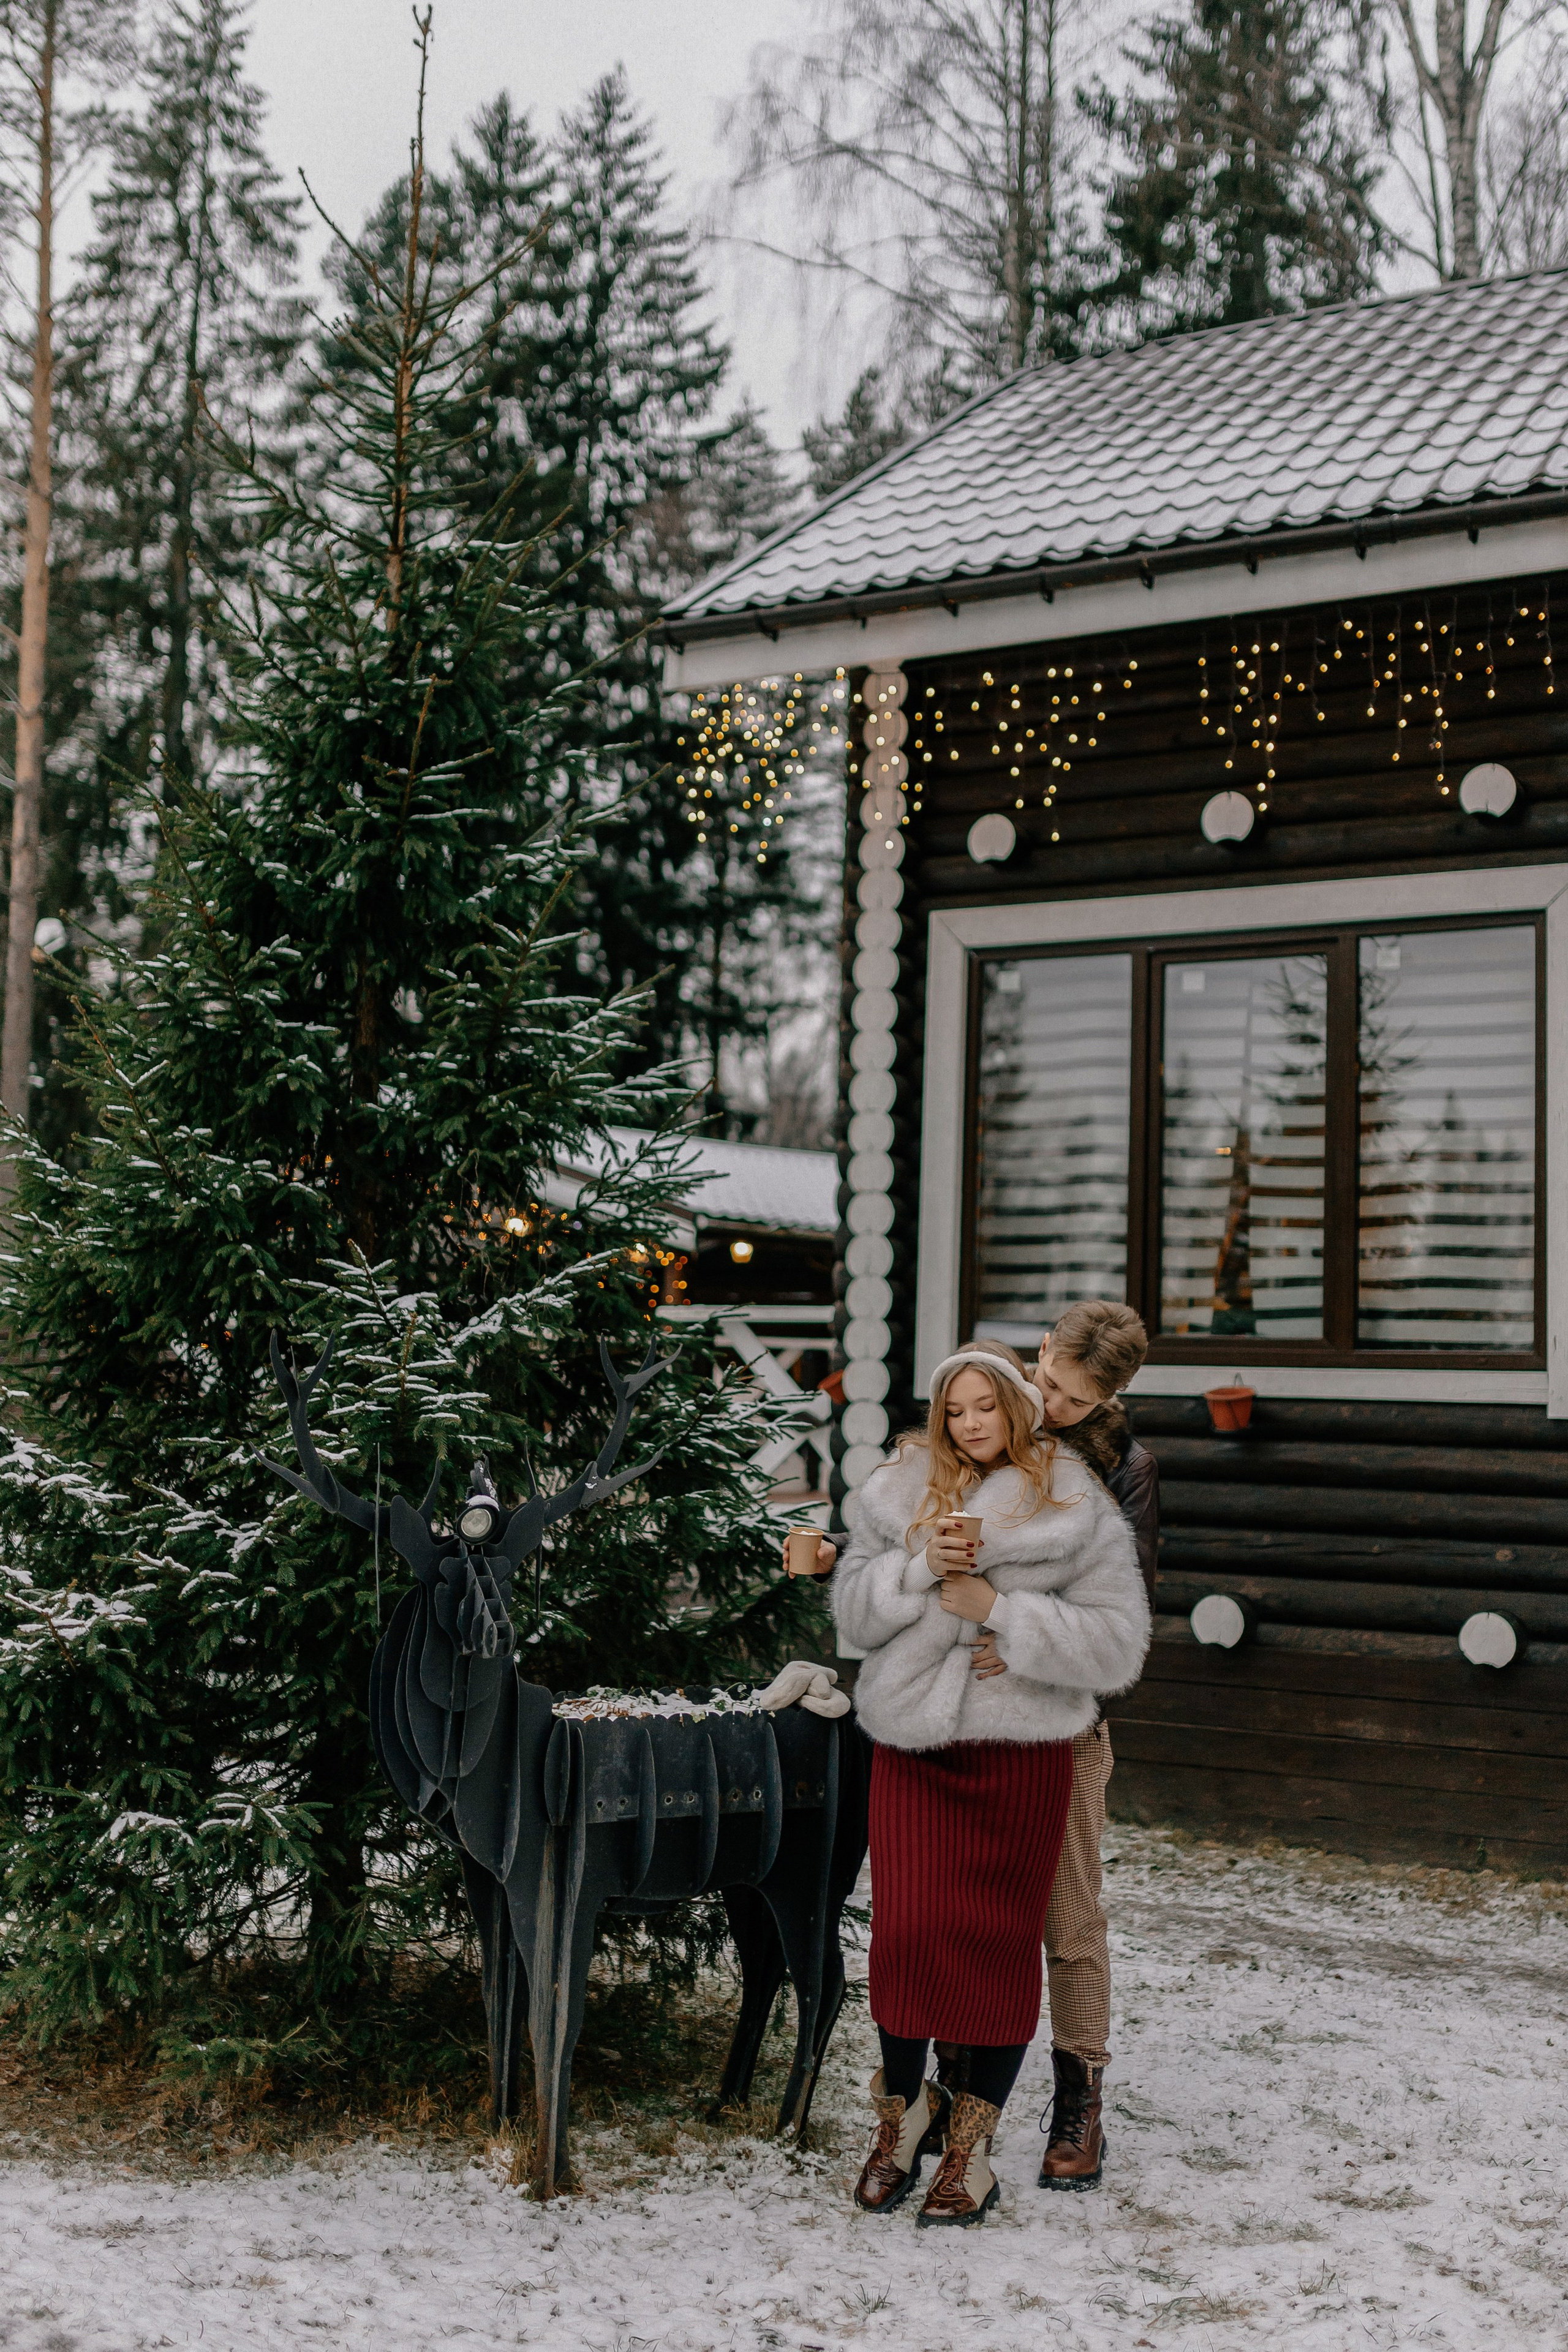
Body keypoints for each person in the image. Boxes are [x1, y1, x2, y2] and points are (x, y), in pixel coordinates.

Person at [828, 1342, 1150, 2226]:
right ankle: (898, 2124)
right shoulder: (899, 1488)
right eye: (956, 1410)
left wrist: (1003, 1612)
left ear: (1017, 1406)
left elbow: (1120, 1640)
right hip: (914, 1749)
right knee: (907, 1936)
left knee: (998, 1941)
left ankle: (967, 2157)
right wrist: (920, 1568)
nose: (971, 1424)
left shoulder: (1073, 1501)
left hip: (1019, 1750)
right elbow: (853, 1613)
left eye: (986, 1407)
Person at [1028, 1300, 1158, 2193]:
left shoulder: (1130, 1472)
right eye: (1044, 1380)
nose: (1048, 1404)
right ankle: (967, 2093)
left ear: (1110, 1397)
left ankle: (1080, 2100)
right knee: (977, 1913)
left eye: (1070, 1401)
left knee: (1069, 1918)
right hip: (969, 1715)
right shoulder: (987, 1418)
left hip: (1068, 1725)